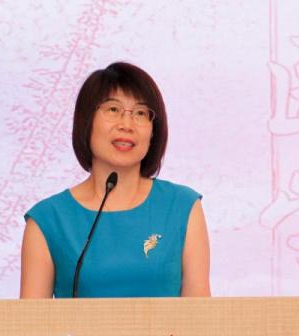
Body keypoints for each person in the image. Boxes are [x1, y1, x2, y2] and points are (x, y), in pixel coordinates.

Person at [20, 62, 210, 298]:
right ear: (87, 120)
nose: (126, 125)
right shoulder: (49, 220)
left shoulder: (182, 207)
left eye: (140, 113)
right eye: (113, 109)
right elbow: (31, 320)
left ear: (153, 131)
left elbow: (200, 315)